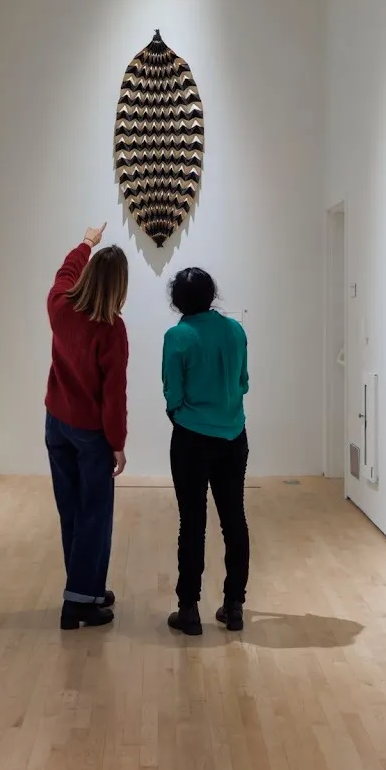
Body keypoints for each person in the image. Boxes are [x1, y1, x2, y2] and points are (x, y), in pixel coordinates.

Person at [45, 223, 130, 630]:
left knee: (71, 511)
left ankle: (88, 588)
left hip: (57, 424)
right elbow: (114, 395)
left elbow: (65, 272)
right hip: (91, 434)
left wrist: (86, 243)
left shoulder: (60, 305)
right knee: (94, 514)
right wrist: (118, 443)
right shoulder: (111, 329)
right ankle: (78, 602)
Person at [162, 268, 250, 636]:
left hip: (191, 439)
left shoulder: (178, 336)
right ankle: (234, 606)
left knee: (192, 523)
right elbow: (243, 382)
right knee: (234, 520)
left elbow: (172, 391)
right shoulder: (235, 331)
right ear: (212, 295)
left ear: (177, 300)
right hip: (234, 435)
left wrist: (180, 415)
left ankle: (189, 609)